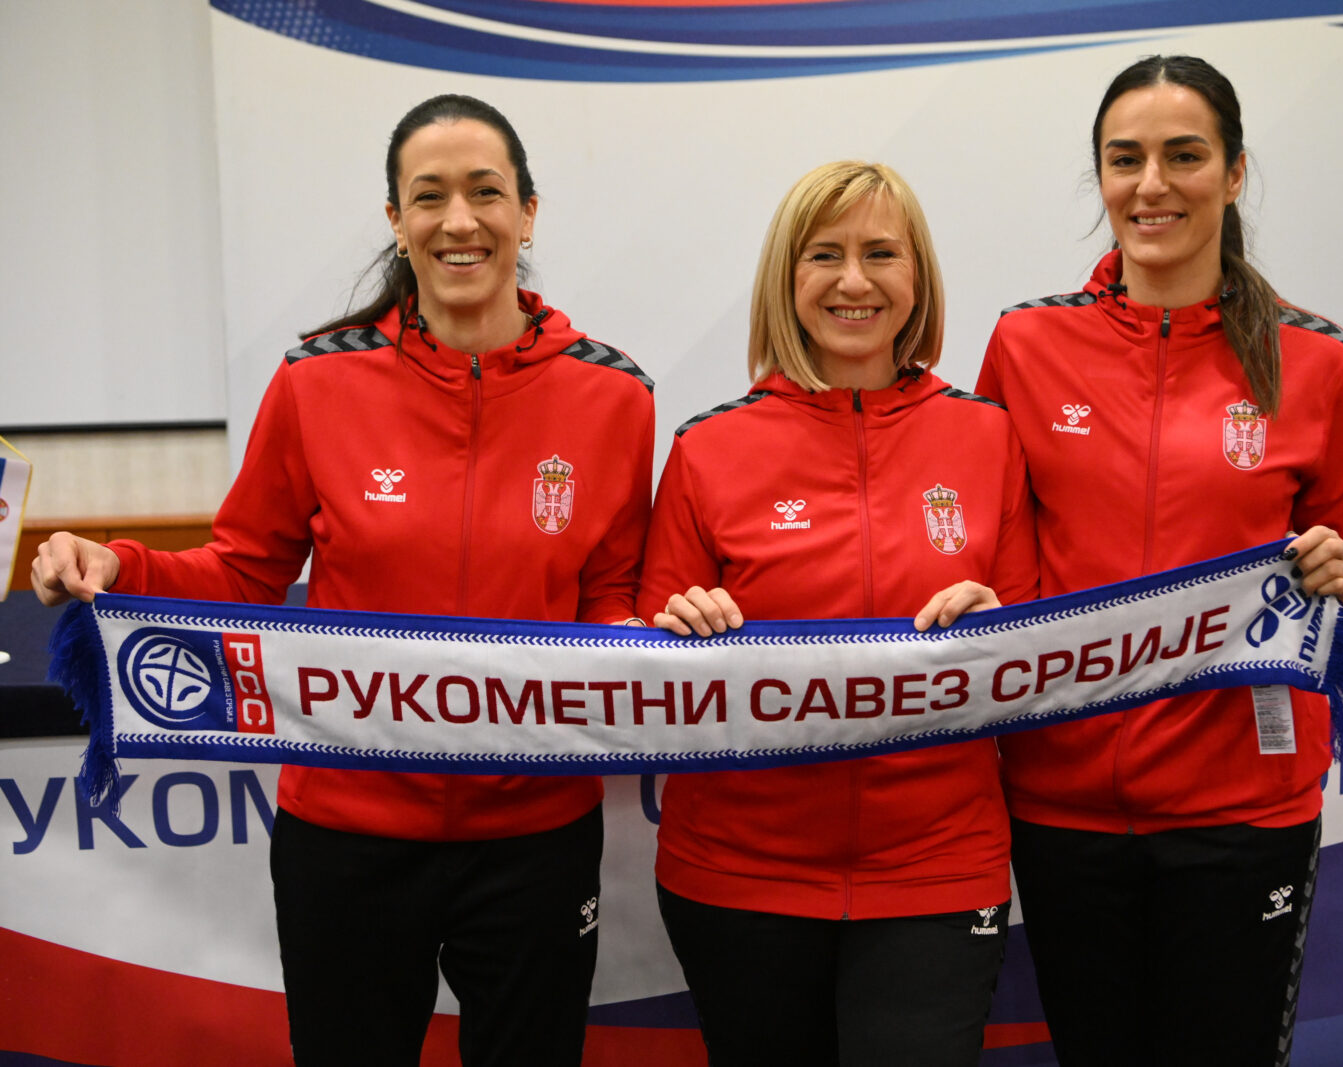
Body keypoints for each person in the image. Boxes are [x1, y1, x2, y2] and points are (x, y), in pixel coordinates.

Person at [31, 94, 655, 1066]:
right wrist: (121, 564)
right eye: (430, 196)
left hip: (536, 839)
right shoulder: (316, 380)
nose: (459, 220)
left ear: (527, 211)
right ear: (397, 220)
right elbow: (244, 567)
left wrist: (659, 638)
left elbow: (610, 602)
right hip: (347, 837)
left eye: (485, 192)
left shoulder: (614, 394)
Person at [976, 55, 1343, 1066]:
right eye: (1125, 159)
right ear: (1101, 177)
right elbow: (1000, 552)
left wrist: (1337, 572)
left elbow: (1340, 551)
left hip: (1244, 803)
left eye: (1183, 156)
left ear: (1233, 174)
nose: (1151, 185)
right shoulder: (1025, 344)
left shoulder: (1315, 358)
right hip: (1063, 802)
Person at [640, 160, 1038, 1067]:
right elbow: (648, 668)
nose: (854, 280)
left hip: (938, 870)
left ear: (917, 276)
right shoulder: (707, 449)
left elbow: (1037, 647)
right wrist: (680, 625)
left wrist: (1003, 623)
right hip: (739, 875)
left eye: (880, 253)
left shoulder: (989, 434)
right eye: (824, 254)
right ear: (787, 279)